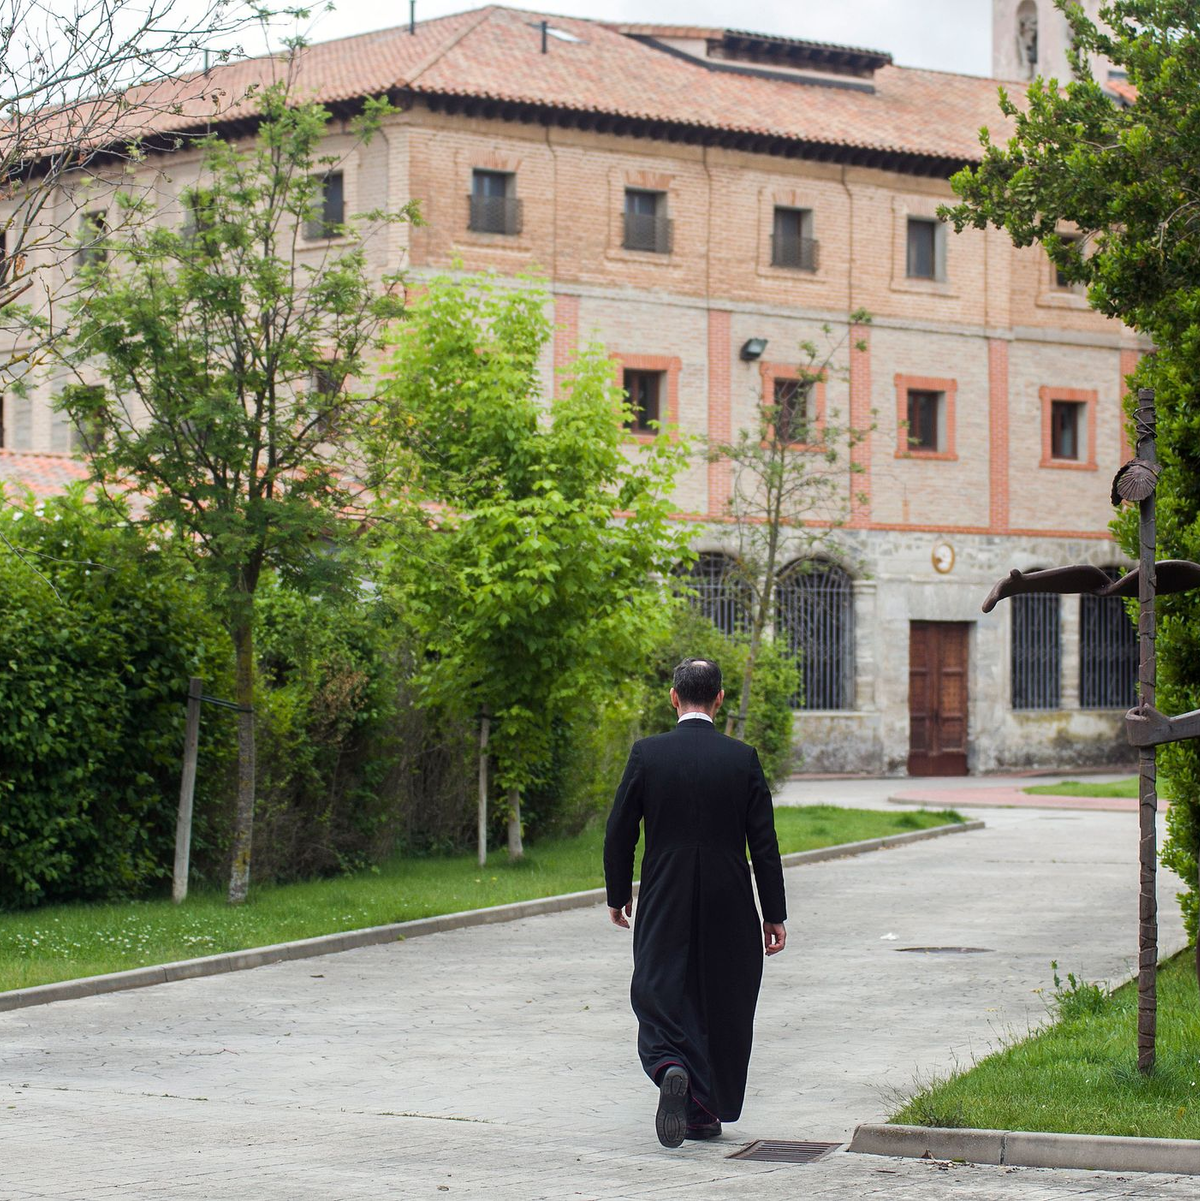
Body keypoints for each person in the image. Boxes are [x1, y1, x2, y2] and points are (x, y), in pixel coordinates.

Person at [603, 657, 787, 1148]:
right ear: (720, 699)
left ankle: (669, 1065)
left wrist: (618, 894)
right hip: (730, 897)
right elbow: (764, 844)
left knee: (658, 988)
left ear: (673, 697)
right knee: (724, 997)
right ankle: (703, 1113)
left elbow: (619, 831)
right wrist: (773, 913)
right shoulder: (742, 758)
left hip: (665, 891)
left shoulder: (648, 754)